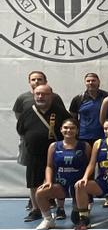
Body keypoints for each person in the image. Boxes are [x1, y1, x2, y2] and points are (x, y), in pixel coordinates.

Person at [17, 84, 71, 222]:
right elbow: (21, 130)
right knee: (33, 183)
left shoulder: (60, 112)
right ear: (34, 95)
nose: (40, 97)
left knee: (58, 182)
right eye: (38, 94)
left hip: (56, 154)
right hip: (34, 154)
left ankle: (60, 208)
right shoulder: (27, 112)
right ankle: (36, 210)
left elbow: (70, 128)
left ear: (51, 96)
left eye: (44, 94)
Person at [34, 119, 91, 230]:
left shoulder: (85, 146)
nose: (68, 130)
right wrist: (49, 181)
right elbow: (49, 166)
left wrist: (86, 181)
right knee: (40, 193)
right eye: (65, 127)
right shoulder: (54, 146)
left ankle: (82, 210)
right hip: (61, 184)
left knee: (76, 219)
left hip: (79, 187)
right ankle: (48, 220)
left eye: (72, 128)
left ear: (77, 130)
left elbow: (90, 165)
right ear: (61, 129)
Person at [68, 73, 108, 144]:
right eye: (88, 81)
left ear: (98, 82)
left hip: (104, 136)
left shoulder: (107, 97)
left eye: (93, 81)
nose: (91, 83)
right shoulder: (78, 99)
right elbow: (73, 119)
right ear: (85, 83)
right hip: (84, 137)